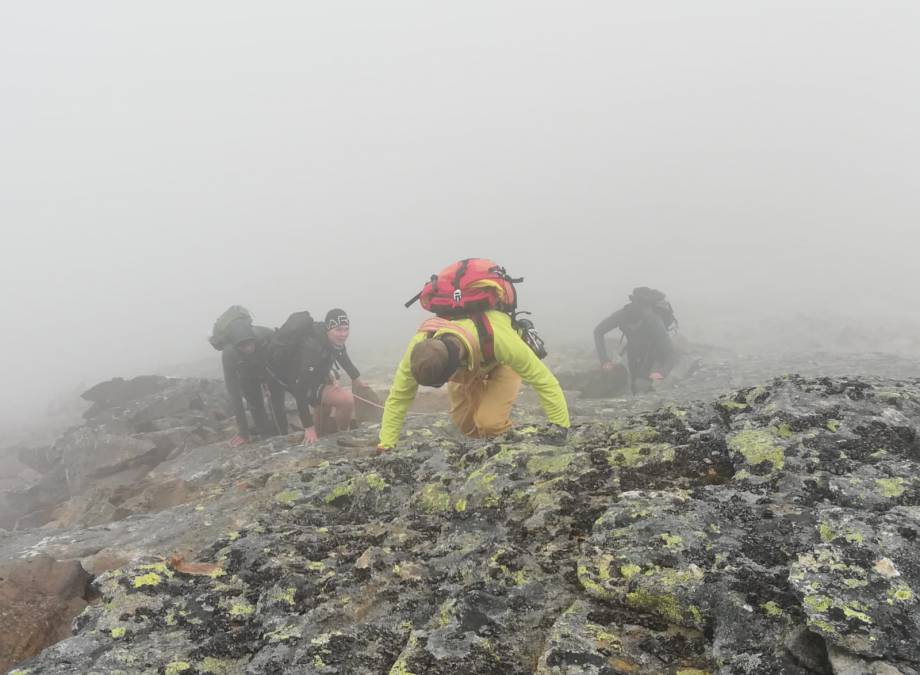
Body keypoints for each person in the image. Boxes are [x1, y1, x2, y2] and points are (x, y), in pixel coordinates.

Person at [378, 309, 570, 451]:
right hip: (467, 365)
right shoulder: (421, 350)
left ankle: (513, 441)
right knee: (466, 424)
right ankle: (487, 449)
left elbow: (544, 381)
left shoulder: (500, 339)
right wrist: (386, 444)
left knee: (489, 423)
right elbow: (399, 398)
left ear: (452, 370)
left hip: (502, 362)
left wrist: (560, 428)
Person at [270, 309, 366, 445]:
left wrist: (356, 378)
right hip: (300, 382)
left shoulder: (331, 339)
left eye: (346, 329)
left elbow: (342, 355)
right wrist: (308, 427)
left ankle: (321, 434)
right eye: (338, 330)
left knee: (324, 408)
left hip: (315, 378)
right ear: (328, 329)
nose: (343, 334)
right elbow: (300, 390)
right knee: (346, 400)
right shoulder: (312, 349)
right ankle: (343, 435)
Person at [593, 287, 677, 394]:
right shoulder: (622, 315)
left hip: (653, 348)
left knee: (642, 380)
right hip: (633, 346)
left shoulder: (655, 321)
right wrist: (604, 360)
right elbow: (598, 331)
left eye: (646, 305)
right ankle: (638, 398)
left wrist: (662, 372)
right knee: (634, 379)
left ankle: (647, 397)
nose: (644, 309)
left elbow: (670, 352)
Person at [220, 319, 288, 446]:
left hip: (269, 367)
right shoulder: (229, 354)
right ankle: (265, 438)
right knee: (255, 406)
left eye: (250, 343)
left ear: (253, 338)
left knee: (277, 405)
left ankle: (284, 434)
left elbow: (283, 361)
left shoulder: (266, 336)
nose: (248, 348)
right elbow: (234, 394)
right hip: (246, 375)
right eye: (242, 346)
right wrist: (243, 432)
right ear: (235, 346)